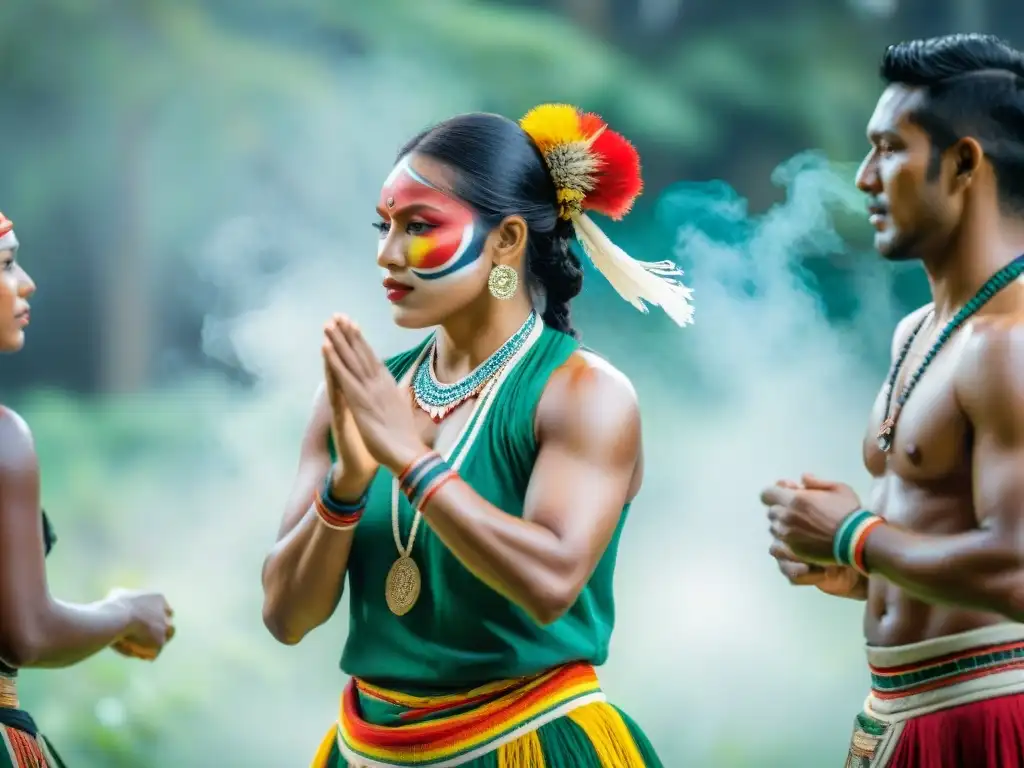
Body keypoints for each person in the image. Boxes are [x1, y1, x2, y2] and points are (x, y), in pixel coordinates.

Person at [261, 103, 694, 767]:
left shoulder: (586, 396)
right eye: (384, 226)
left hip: (528, 746)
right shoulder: (355, 398)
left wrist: (408, 459)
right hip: (369, 751)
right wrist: (346, 486)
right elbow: (285, 618)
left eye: (418, 226)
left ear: (507, 241)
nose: (386, 253)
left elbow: (551, 583)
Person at [760, 33, 1024, 768]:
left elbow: (1018, 571)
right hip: (900, 712)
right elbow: (955, 537)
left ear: (965, 162)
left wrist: (855, 536)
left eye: (889, 150)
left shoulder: (1009, 343)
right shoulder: (919, 331)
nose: (866, 178)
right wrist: (864, 572)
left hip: (989, 716)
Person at [0, 212, 176, 767]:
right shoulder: (5, 439)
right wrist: (123, 612)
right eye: (6, 264)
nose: (26, 282)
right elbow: (26, 633)